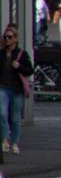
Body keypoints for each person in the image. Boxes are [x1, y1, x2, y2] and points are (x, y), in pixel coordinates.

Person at [0, 25, 30, 153]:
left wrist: (19, 67)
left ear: (15, 39)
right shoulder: (1, 54)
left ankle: (15, 143)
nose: (7, 39)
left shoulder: (22, 54)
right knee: (2, 114)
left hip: (17, 90)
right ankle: (4, 140)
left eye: (10, 37)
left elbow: (29, 70)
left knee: (15, 117)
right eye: (5, 37)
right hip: (3, 88)